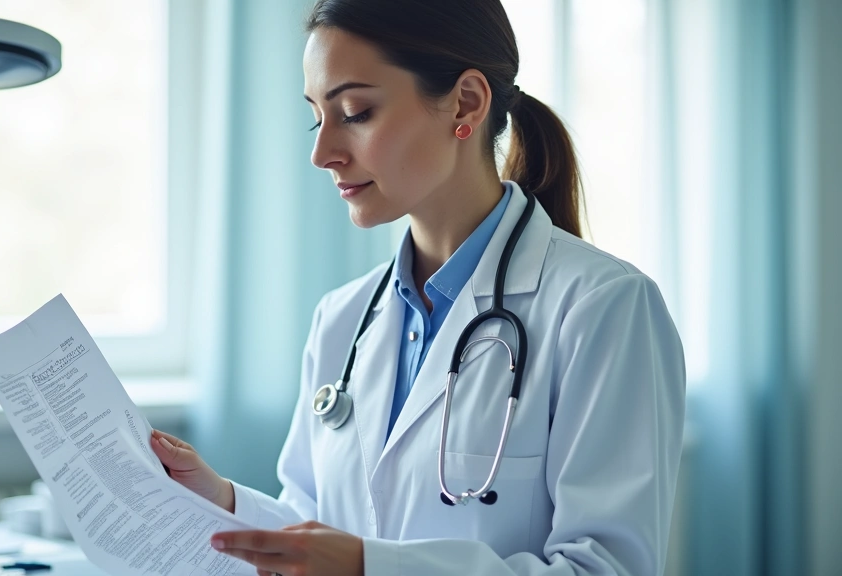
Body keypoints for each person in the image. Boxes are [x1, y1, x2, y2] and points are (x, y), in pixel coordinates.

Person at [150, 0, 686, 574]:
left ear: (466, 102)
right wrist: (223, 499)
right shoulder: (343, 317)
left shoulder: (604, 307)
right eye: (317, 116)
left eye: (354, 112)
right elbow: (315, 526)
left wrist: (369, 568)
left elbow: (604, 567)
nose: (322, 152)